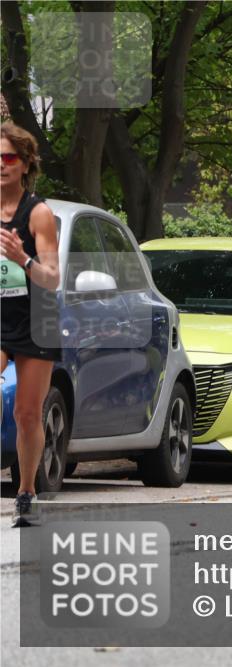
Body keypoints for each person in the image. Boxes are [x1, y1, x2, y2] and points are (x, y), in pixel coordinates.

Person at [0, 122, 61, 527]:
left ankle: (25, 490)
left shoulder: (38, 213)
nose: (1, 165)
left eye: (8, 158)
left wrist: (23, 259)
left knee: (26, 413)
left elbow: (52, 277)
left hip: (35, 319)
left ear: (24, 164)